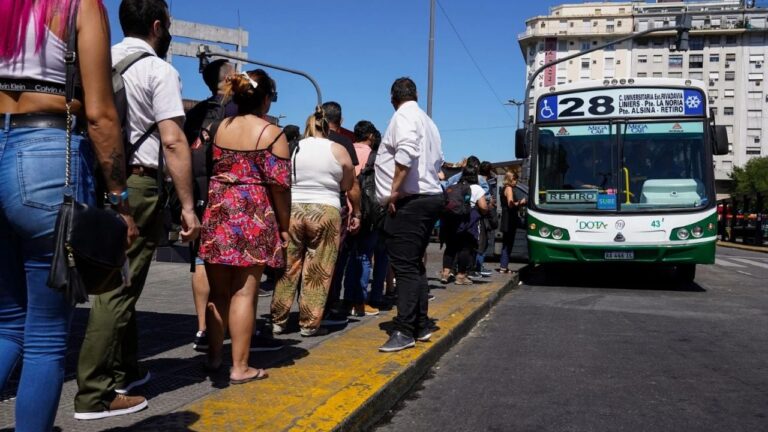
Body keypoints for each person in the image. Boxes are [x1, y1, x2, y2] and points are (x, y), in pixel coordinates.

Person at [0, 1, 138, 429]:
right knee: (44, 336)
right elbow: (100, 115)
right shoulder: (78, 5)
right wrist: (119, 199)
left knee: (6, 325)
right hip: (45, 153)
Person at [74, 0, 200, 420]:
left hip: (99, 177)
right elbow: (173, 140)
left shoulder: (100, 59)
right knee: (119, 287)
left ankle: (126, 369)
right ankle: (95, 392)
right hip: (140, 182)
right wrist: (187, 206)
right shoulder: (158, 71)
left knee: (126, 276)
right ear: (158, 26)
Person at [197, 69, 291, 383]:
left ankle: (213, 358)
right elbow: (280, 188)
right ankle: (239, 367)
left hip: (218, 212)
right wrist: (285, 226)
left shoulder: (218, 128)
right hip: (253, 215)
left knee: (218, 293)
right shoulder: (272, 134)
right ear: (265, 100)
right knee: (243, 294)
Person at [271, 107, 355, 336]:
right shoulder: (338, 149)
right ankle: (309, 324)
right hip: (326, 210)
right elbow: (348, 183)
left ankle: (278, 320)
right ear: (327, 127)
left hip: (294, 210)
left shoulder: (293, 147)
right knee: (319, 269)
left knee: (288, 266)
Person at [376, 77, 444, 353]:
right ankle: (421, 324)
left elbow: (405, 153)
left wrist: (393, 191)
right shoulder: (428, 122)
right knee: (414, 264)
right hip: (428, 198)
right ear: (415, 95)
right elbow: (437, 161)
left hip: (411, 201)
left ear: (393, 99)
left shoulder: (403, 116)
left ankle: (405, 330)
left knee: (404, 267)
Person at [183, 58, 235, 352]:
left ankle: (203, 328)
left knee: (201, 259)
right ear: (229, 79)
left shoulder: (196, 112)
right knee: (233, 263)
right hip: (229, 192)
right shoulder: (237, 110)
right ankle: (229, 326)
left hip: (198, 189)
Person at [321, 101, 361, 325]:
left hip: (300, 208)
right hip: (333, 207)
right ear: (341, 120)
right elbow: (352, 183)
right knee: (333, 261)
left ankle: (300, 311)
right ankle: (329, 307)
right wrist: (357, 212)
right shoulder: (344, 143)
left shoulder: (304, 140)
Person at [343, 120, 383, 317]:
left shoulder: (345, 150)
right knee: (364, 256)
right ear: (370, 136)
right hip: (366, 213)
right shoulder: (376, 156)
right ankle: (359, 302)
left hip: (344, 210)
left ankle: (341, 301)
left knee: (344, 259)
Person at [440, 164, 488, 285]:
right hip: (467, 222)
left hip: (451, 221)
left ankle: (445, 273)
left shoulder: (453, 186)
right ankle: (461, 276)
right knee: (465, 248)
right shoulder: (477, 188)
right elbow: (483, 207)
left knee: (450, 247)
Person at [498, 172, 525, 273]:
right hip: (509, 218)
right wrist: (521, 202)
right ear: (510, 179)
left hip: (507, 218)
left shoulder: (504, 188)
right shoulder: (509, 188)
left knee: (507, 242)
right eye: (515, 180)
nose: (516, 182)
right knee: (508, 243)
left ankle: (503, 266)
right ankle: (503, 267)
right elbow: (510, 204)